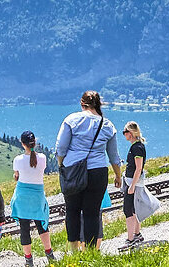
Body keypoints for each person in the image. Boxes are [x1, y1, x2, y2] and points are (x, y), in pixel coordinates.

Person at [56, 90, 122, 250]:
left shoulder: (71, 120)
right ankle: (91, 251)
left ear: (82, 104)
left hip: (73, 171)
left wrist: (61, 165)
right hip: (98, 172)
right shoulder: (107, 124)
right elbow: (114, 156)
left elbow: (60, 148)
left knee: (72, 211)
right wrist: (118, 176)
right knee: (92, 213)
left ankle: (74, 250)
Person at [11, 131, 56, 267]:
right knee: (42, 225)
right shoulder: (42, 157)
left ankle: (29, 260)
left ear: (22, 143)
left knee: (24, 228)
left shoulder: (18, 160)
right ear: (34, 142)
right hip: (37, 195)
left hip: (22, 195)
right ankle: (49, 254)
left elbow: (17, 176)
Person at [121, 121, 147, 248]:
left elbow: (138, 168)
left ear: (130, 133)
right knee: (135, 208)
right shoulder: (138, 146)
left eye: (125, 132)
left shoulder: (136, 148)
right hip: (134, 182)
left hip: (132, 182)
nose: (124, 135)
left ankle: (130, 239)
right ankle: (137, 234)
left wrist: (131, 187)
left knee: (128, 210)